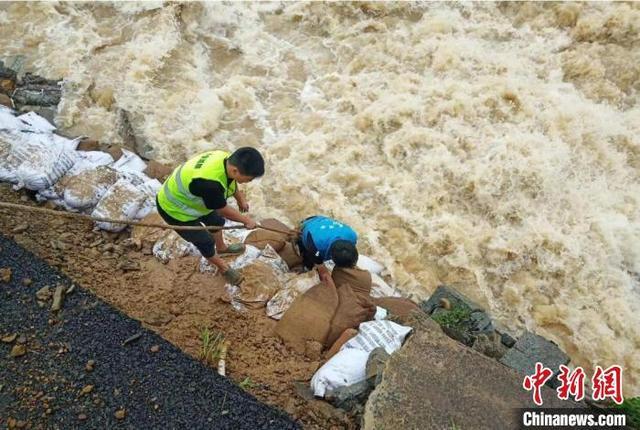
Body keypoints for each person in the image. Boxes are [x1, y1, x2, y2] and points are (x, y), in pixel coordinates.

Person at [156, 147, 264, 284]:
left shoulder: (225, 159)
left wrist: (240, 199)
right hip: (174, 209)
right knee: (205, 241)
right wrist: (246, 220)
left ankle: (222, 249)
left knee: (216, 222)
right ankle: (223, 268)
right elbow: (222, 209)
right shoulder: (209, 184)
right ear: (235, 170)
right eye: (249, 179)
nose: (249, 182)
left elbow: (230, 181)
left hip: (193, 200)